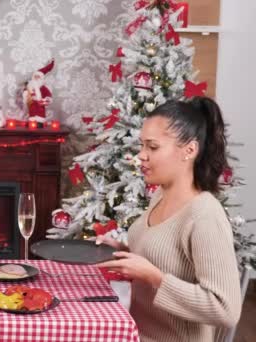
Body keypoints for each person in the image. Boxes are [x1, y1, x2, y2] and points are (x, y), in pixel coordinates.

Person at [96, 97, 242, 342]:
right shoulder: (160, 196)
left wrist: (154, 277)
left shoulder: (204, 215)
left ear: (190, 150)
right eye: (142, 146)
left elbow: (226, 310)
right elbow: (167, 259)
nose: (141, 156)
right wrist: (123, 252)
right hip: (134, 334)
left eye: (152, 147)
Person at [22, 58, 54, 123]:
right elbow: (25, 93)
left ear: (41, 78)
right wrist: (25, 95)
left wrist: (46, 99)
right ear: (33, 77)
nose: (36, 78)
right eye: (35, 76)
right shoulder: (29, 86)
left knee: (40, 111)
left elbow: (48, 95)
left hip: (40, 103)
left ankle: (40, 122)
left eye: (38, 77)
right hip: (31, 102)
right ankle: (32, 121)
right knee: (32, 110)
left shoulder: (43, 87)